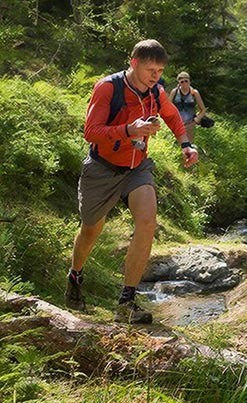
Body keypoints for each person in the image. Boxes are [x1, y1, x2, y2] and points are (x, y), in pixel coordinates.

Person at [64, 39, 199, 324]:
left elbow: (172, 115)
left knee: (147, 221)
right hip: (102, 169)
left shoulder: (156, 91)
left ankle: (126, 301)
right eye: (151, 69)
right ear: (134, 63)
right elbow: (91, 131)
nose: (156, 76)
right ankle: (75, 274)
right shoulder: (108, 87)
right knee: (91, 229)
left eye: (160, 70)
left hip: (137, 168)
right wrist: (129, 129)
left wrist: (185, 144)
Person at [168, 72, 207, 143]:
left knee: (188, 145)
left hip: (190, 123)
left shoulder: (194, 93)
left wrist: (197, 119)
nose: (184, 83)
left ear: (189, 82)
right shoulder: (175, 92)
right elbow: (167, 107)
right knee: (178, 145)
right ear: (179, 83)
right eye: (182, 82)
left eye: (186, 81)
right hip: (177, 123)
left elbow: (203, 109)